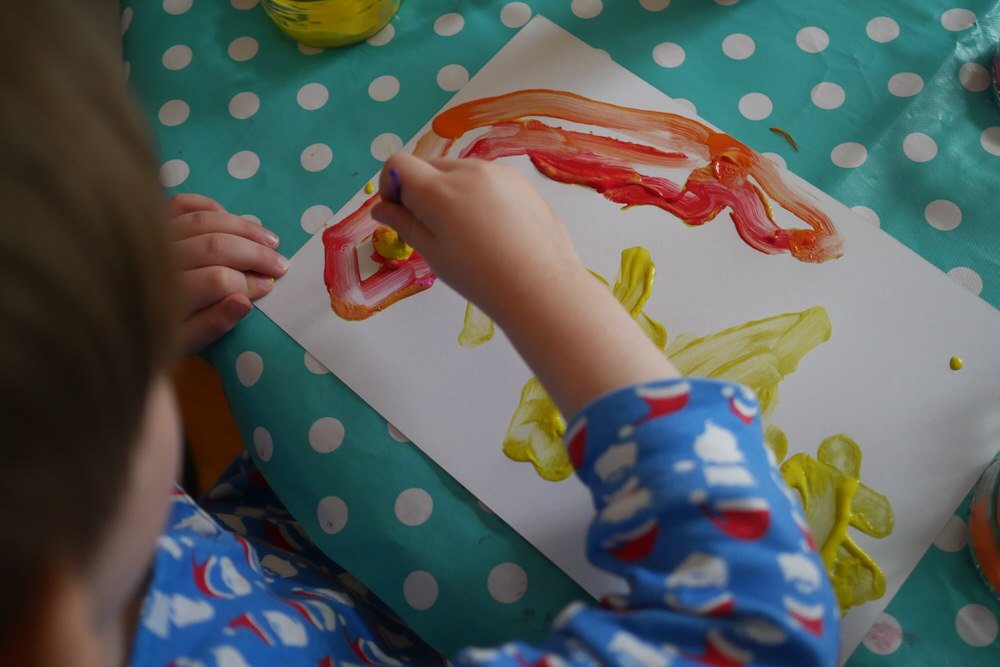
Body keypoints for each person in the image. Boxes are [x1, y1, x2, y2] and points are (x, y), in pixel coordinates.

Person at [0, 2, 838, 666]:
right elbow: (760, 626)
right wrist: (542, 286)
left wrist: (109, 329)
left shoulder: (65, 539)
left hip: (287, 539)